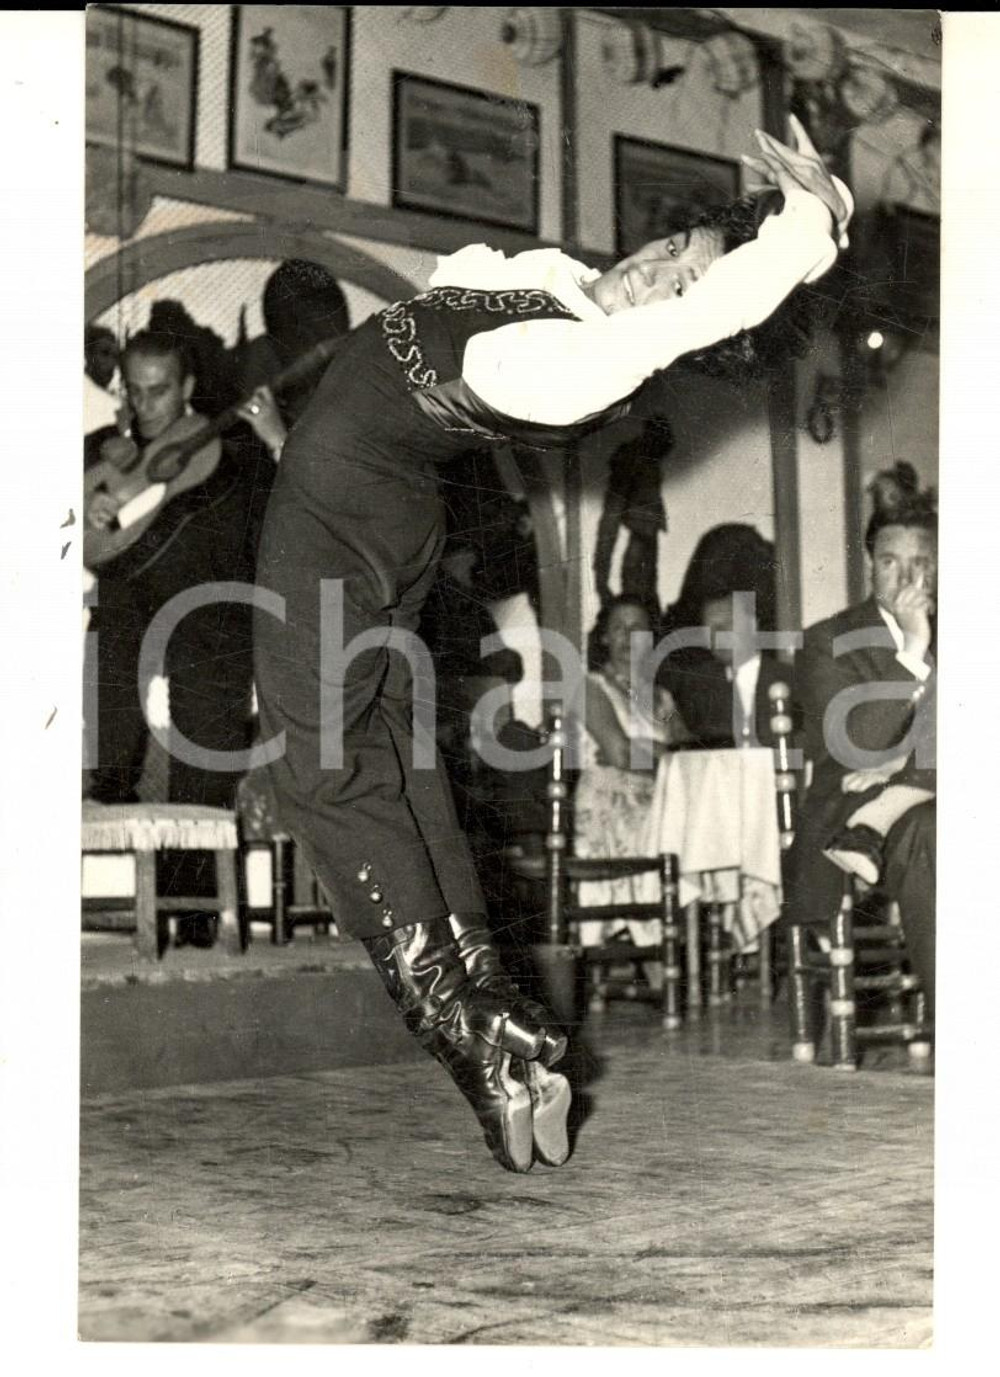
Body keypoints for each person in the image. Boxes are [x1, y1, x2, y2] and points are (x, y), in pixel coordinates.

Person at [253, 116, 854, 1173]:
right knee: (400, 766)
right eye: (672, 248)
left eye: (680, 287)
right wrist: (810, 224)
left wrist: (811, 221)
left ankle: (471, 1025)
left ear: (687, 328)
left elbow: (711, 307)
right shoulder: (559, 291)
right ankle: (497, 1022)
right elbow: (479, 282)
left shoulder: (588, 361)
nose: (655, 272)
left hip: (341, 522)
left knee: (323, 777)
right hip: (382, 520)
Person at [84, 330, 277, 943]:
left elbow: (289, 512)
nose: (146, 406)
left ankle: (195, 918)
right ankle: (111, 814)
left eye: (160, 391)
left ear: (188, 386)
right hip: (128, 611)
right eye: (135, 392)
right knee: (108, 727)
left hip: (210, 615)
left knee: (206, 750)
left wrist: (274, 437)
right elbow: (62, 528)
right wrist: (87, 508)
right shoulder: (101, 451)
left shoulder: (235, 448)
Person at [786, 493, 936, 1015]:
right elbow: (860, 746)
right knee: (928, 829)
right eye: (891, 562)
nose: (907, 578)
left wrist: (907, 765)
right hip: (852, 811)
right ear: (870, 564)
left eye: (921, 563)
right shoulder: (827, 640)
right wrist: (913, 650)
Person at [572, 596, 688, 951]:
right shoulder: (589, 687)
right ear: (604, 637)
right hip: (610, 806)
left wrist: (648, 748)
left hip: (661, 804)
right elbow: (619, 753)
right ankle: (656, 954)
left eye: (637, 627)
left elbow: (688, 755)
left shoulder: (662, 699)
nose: (627, 636)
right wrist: (658, 752)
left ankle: (677, 953)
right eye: (618, 628)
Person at [660, 525, 790, 749]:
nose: (719, 635)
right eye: (710, 627)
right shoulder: (697, 688)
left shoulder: (790, 678)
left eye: (728, 624)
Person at [593, 416, 672, 611]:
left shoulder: (648, 462)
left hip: (646, 540)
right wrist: (601, 582)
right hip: (637, 542)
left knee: (646, 599)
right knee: (636, 599)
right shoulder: (630, 461)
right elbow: (609, 523)